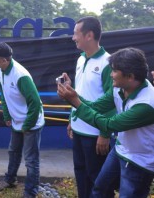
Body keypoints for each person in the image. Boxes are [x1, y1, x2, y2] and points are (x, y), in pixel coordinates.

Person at [57, 47, 154, 198]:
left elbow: (109, 125)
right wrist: (73, 95)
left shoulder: (147, 104)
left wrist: (75, 101)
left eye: (115, 71)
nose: (111, 75)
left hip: (138, 160)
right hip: (120, 149)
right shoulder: (120, 88)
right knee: (99, 189)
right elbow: (96, 107)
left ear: (130, 76)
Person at [0, 42, 45, 198]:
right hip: (17, 120)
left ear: (4, 60)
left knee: (31, 160)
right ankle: (10, 179)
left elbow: (35, 102)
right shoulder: (0, 70)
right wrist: (7, 115)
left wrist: (27, 125)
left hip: (31, 122)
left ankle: (30, 192)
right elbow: (4, 93)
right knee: (13, 151)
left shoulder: (20, 75)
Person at [68, 17, 116, 198]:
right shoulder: (81, 59)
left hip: (95, 134)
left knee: (99, 180)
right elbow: (79, 93)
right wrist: (71, 120)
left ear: (89, 35)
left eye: (75, 33)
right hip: (78, 129)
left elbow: (112, 102)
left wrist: (104, 133)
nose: (73, 38)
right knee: (80, 172)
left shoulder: (108, 63)